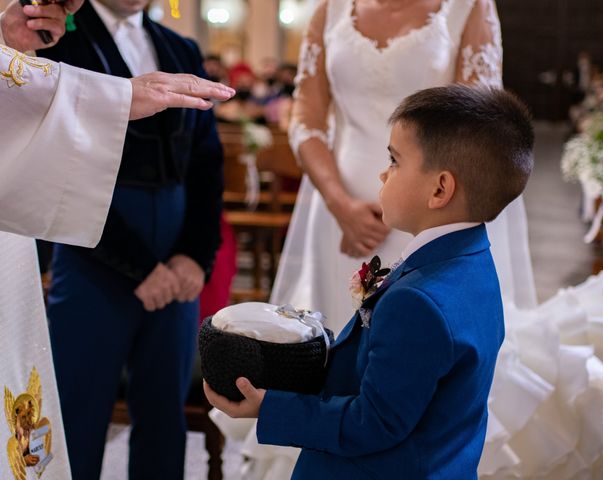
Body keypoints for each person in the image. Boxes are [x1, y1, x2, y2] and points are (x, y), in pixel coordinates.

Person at [204, 85, 532, 479]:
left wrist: (269, 406)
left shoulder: (418, 303)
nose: (383, 172)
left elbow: (374, 423)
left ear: (440, 189)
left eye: (394, 161)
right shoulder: (471, 260)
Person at [0, 1, 233, 479]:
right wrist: (140, 268)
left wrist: (194, 255)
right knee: (76, 411)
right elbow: (57, 165)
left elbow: (207, 161)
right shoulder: (53, 37)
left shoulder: (178, 46)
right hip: (92, 249)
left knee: (164, 412)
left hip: (175, 249)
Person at [270, 0, 536, 335]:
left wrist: (418, 215)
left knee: (421, 335)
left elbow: (473, 130)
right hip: (340, 208)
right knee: (340, 333)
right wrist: (340, 203)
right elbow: (306, 122)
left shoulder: (467, 6)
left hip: (434, 210)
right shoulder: (330, 9)